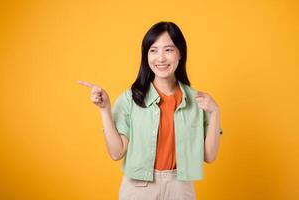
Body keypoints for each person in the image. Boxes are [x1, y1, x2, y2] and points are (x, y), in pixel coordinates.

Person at [78, 21, 223, 200]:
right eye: (153, 50)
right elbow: (116, 153)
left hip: (180, 188)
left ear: (180, 53)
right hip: (139, 187)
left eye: (168, 50)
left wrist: (215, 112)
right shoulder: (130, 99)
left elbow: (209, 156)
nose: (160, 58)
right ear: (146, 55)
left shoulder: (198, 101)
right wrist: (104, 109)